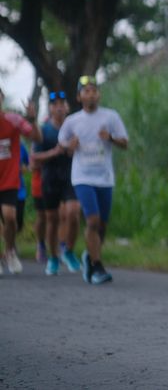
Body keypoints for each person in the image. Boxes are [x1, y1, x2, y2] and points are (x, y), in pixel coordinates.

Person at [58, 76, 128, 285]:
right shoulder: (72, 121)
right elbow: (62, 143)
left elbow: (125, 143)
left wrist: (111, 138)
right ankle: (97, 267)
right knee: (93, 221)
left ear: (99, 95)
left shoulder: (110, 117)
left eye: (94, 90)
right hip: (82, 177)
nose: (90, 94)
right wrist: (70, 146)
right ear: (79, 97)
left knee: (102, 226)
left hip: (105, 178)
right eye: (86, 91)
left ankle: (89, 256)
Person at [31, 91, 82, 275]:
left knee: (73, 213)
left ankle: (68, 251)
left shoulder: (74, 127)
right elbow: (34, 158)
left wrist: (74, 149)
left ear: (67, 107)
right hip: (50, 179)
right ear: (50, 108)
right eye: (55, 104)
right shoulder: (44, 130)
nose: (59, 107)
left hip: (71, 177)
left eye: (62, 103)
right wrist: (56, 151)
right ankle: (53, 257)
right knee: (52, 219)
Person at [0, 88, 42, 274]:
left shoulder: (13, 120)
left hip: (9, 179)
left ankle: (9, 250)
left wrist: (32, 119)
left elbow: (36, 137)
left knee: (10, 218)